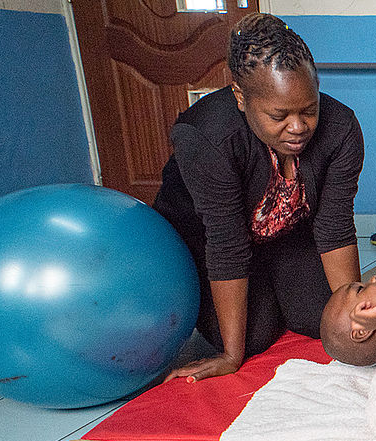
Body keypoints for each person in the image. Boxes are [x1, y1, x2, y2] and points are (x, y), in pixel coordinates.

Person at [154, 13, 364, 382]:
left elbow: (334, 226)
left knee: (325, 319)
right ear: (240, 97)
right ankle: (255, 313)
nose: (298, 127)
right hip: (207, 243)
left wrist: (354, 312)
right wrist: (231, 356)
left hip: (283, 235)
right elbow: (226, 243)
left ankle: (279, 288)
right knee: (254, 336)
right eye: (279, 115)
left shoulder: (341, 128)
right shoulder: (206, 137)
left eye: (309, 110)